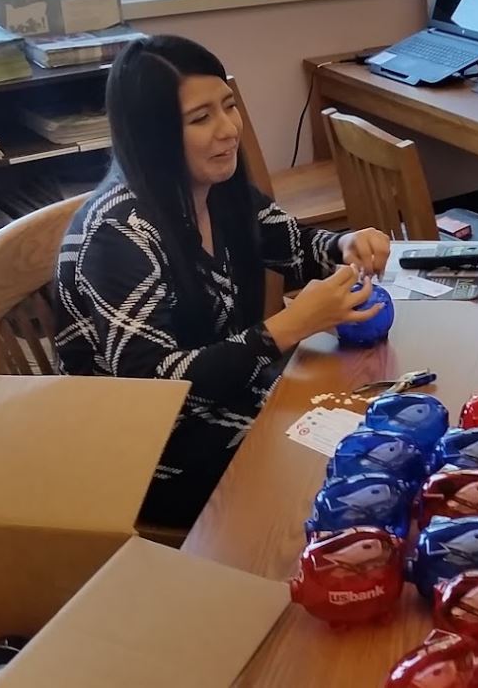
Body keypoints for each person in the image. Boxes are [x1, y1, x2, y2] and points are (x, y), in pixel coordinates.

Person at [55, 35, 392, 528]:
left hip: (230, 401)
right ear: (153, 135)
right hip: (145, 455)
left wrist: (343, 246)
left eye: (228, 106)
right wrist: (285, 328)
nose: (229, 129)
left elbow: (293, 243)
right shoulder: (116, 235)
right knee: (336, 473)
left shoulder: (217, 190)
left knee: (376, 434)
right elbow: (153, 390)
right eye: (201, 118)